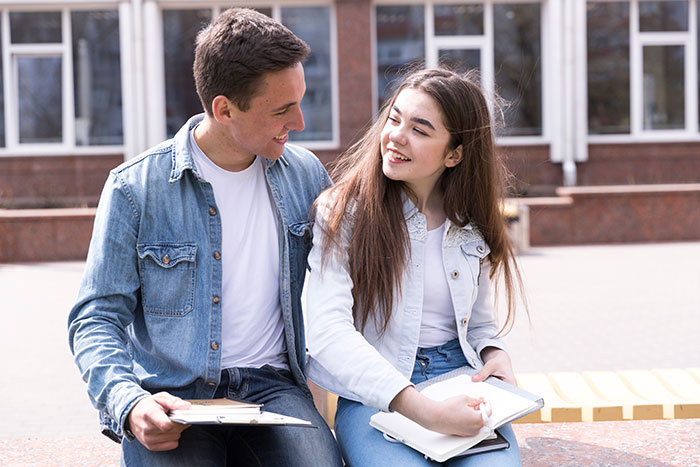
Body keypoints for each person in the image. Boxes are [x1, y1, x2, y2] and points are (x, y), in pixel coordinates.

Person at [68, 8, 343, 466]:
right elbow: (95, 318)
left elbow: (356, 277)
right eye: (282, 109)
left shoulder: (306, 175)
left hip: (274, 388)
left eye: (300, 101)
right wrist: (129, 402)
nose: (299, 122)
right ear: (224, 109)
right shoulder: (135, 188)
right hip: (172, 393)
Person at [305, 68, 525, 466]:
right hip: (378, 392)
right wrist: (424, 410)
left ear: (455, 153)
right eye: (394, 119)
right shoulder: (341, 212)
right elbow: (326, 332)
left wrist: (495, 353)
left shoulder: (470, 222)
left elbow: (477, 325)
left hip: (461, 382)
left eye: (420, 130)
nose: (395, 137)